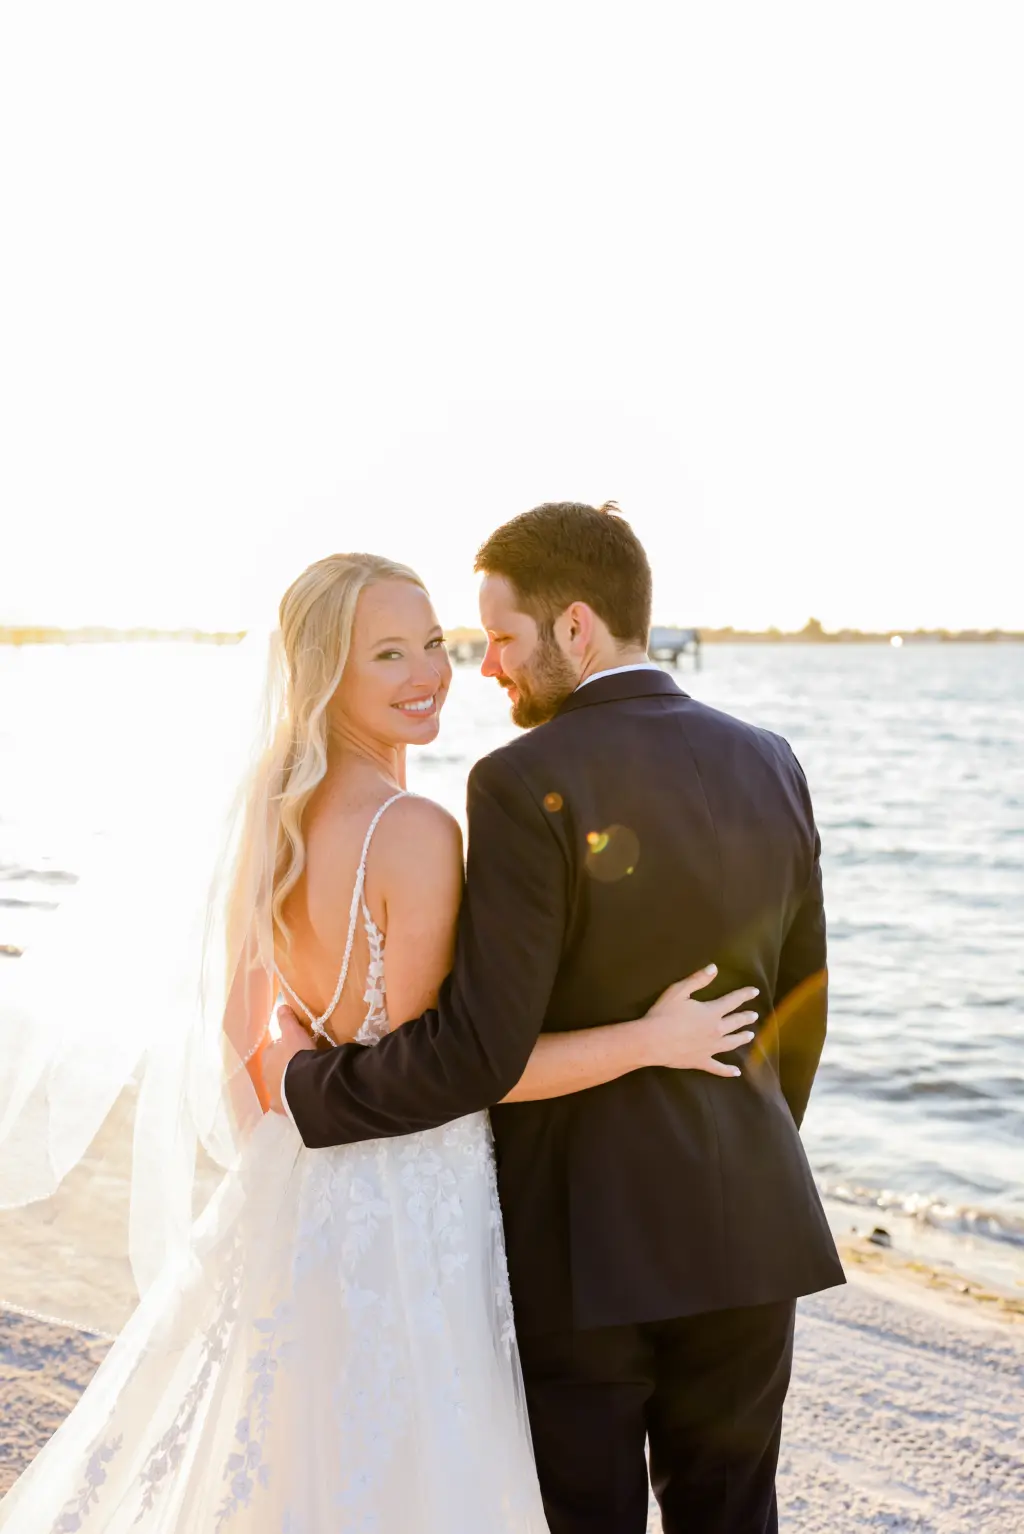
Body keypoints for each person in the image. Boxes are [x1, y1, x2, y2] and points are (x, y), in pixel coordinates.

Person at [0, 550, 757, 1533]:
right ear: (326, 676)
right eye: (388, 654)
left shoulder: (268, 817)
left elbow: (246, 1034)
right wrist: (651, 1038)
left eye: (435, 643)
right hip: (409, 1203)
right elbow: (450, 1073)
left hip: (289, 1188)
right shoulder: (413, 831)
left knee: (278, 1452)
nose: (428, 672)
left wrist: (281, 1109)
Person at [266, 503, 846, 1534]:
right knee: (733, 1514)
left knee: (588, 1518)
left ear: (574, 629)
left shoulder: (520, 779)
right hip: (751, 1224)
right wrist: (745, 1145)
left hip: (580, 1242)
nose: (484, 666)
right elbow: (799, 1007)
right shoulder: (774, 757)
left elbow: (475, 1052)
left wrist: (304, 1084)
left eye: (501, 637)